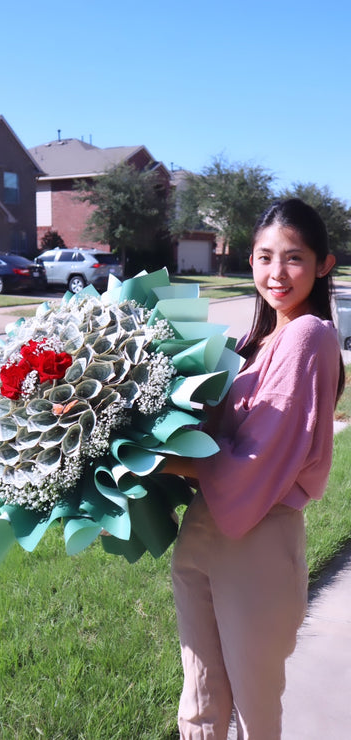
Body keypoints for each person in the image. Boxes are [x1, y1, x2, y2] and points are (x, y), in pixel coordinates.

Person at [163, 198, 344, 739]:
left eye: (293, 258)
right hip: (202, 532)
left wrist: (173, 460)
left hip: (257, 540)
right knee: (199, 701)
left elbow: (260, 457)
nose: (277, 273)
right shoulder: (254, 341)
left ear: (323, 265)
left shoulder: (309, 336)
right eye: (265, 258)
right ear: (249, 261)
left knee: (254, 711)